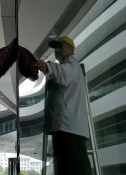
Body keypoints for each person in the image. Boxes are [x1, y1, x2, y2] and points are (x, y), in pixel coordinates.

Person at [36, 36, 92, 175]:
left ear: (71, 49)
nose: (57, 50)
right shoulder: (69, 66)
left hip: (69, 129)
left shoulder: (72, 65)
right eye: (55, 47)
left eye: (60, 46)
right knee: (69, 168)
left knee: (73, 169)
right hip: (67, 128)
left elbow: (63, 74)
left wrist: (47, 66)